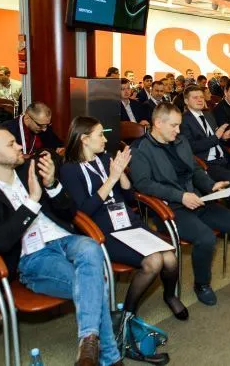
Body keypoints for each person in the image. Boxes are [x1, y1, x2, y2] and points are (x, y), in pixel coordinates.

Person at [0, 124, 123, 366]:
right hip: (33, 256)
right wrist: (32, 201)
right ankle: (109, 356)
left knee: (90, 247)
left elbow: (70, 211)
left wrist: (52, 184)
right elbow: (1, 241)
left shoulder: (28, 169)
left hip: (64, 238)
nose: (20, 146)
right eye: (11, 144)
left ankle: (89, 342)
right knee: (94, 283)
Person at [130, 103, 230, 305]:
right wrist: (180, 196)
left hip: (198, 200)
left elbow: (195, 170)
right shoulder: (140, 149)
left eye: (179, 125)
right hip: (170, 209)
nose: (178, 130)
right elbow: (144, 184)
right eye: (174, 125)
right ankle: (202, 284)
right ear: (157, 123)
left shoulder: (180, 141)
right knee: (206, 237)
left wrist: (210, 185)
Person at [60, 117, 188, 321]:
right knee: (154, 261)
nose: (105, 139)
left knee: (170, 257)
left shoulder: (104, 159)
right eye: (100, 135)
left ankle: (170, 296)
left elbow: (129, 197)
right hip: (101, 229)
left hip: (126, 220)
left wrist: (121, 174)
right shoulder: (70, 170)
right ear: (84, 139)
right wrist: (112, 178)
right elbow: (84, 211)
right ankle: (128, 313)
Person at [181, 86, 230, 216]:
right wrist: (216, 137)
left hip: (224, 159)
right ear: (186, 101)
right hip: (206, 164)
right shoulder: (183, 120)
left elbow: (217, 138)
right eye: (195, 97)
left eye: (201, 97)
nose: (200, 100)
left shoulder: (208, 115)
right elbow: (191, 147)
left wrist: (223, 137)